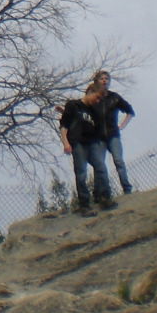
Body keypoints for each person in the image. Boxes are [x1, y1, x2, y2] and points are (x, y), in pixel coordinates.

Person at [60, 83, 115, 216]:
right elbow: (64, 126)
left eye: (99, 100)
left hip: (92, 142)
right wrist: (66, 143)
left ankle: (104, 197)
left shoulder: (94, 111)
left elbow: (100, 127)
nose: (97, 101)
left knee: (101, 167)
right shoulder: (73, 105)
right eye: (96, 98)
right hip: (78, 143)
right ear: (90, 92)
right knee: (81, 172)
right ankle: (84, 204)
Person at [92, 70, 135, 194]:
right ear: (96, 82)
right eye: (102, 78)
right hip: (98, 137)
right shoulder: (93, 99)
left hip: (113, 135)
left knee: (119, 161)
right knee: (99, 165)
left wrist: (122, 125)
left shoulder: (114, 97)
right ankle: (103, 193)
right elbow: (81, 113)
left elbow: (130, 111)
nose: (104, 80)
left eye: (107, 78)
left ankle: (127, 188)